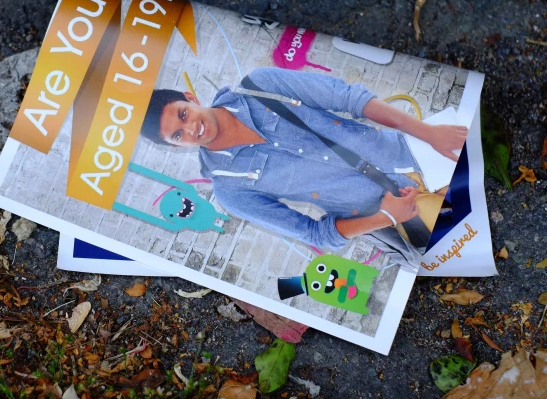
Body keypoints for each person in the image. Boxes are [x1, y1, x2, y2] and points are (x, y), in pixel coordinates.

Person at [140, 67, 468, 268]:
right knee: (475, 248)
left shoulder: (259, 84)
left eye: (183, 114)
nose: (191, 129)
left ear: (188, 96)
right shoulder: (229, 188)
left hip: (413, 154)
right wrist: (387, 217)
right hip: (402, 218)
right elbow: (312, 232)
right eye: (178, 135)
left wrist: (429, 133)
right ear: (174, 146)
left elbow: (350, 99)